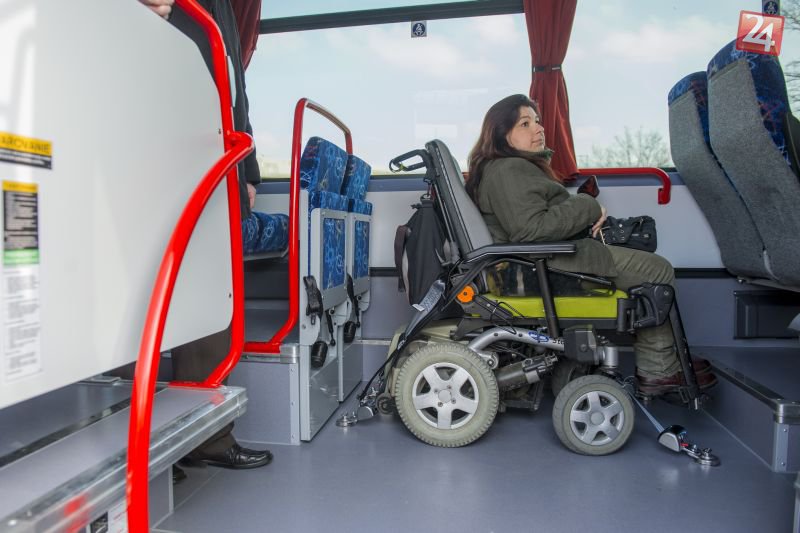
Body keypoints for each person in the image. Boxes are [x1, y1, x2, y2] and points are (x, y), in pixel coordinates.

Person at [466, 94, 716, 396]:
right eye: (525, 123)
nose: (539, 128)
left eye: (538, 121)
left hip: (542, 260)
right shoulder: (509, 170)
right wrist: (588, 204)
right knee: (658, 270)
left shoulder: (506, 168)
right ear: (501, 134)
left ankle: (663, 362)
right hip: (542, 266)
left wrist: (585, 211)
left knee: (640, 254)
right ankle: (659, 371)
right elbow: (531, 230)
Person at [138, 0, 276, 471]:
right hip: (163, 155)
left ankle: (204, 438)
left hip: (218, 161)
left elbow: (236, 92)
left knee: (215, 300)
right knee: (150, 300)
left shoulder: (224, 13)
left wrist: (249, 172)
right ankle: (151, 445)